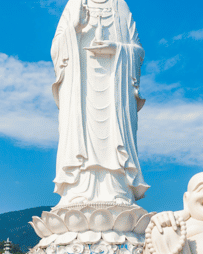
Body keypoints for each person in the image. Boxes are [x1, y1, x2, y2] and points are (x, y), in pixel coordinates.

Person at [51, 0, 149, 206]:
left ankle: (118, 189)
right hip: (80, 86)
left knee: (114, 137)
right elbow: (56, 48)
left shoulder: (119, 6)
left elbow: (138, 51)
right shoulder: (74, 4)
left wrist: (117, 49)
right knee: (80, 135)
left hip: (115, 87)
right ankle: (77, 190)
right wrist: (74, 28)